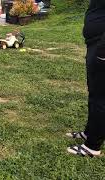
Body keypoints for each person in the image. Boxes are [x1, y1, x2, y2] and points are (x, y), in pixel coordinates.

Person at [66, 0, 105, 157]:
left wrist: (103, 51)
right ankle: (90, 132)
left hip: (102, 48)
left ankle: (92, 146)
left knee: (101, 98)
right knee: (94, 93)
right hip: (95, 43)